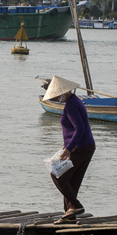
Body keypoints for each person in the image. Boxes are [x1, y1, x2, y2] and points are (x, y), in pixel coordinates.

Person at [42, 75, 95, 225]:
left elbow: (80, 129)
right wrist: (67, 145)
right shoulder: (74, 101)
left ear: (64, 92)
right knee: (71, 182)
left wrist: (69, 149)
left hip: (80, 147)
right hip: (85, 146)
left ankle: (76, 206)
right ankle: (70, 216)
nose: (56, 98)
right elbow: (76, 129)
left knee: (57, 175)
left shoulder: (71, 105)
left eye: (57, 95)